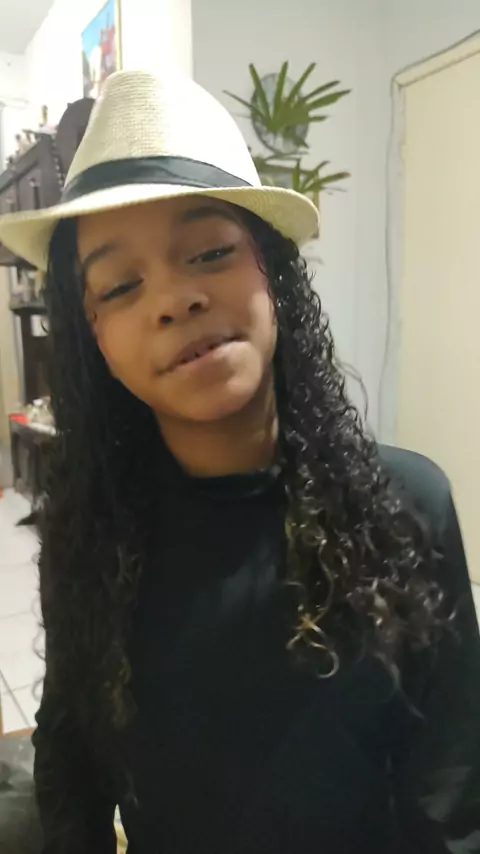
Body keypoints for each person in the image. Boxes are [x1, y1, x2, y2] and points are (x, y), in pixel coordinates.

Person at [0, 69, 478, 854]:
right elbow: (72, 768)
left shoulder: (407, 504)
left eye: (211, 252)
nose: (174, 299)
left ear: (273, 269)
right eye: (121, 286)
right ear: (93, 338)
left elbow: (451, 794)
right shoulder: (92, 536)